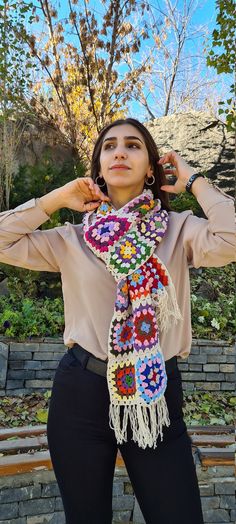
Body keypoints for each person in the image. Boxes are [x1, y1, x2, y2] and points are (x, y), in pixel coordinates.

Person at [0, 118, 234, 524]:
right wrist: (56, 198)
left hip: (155, 393)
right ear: (99, 167)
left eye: (133, 145)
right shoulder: (70, 238)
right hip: (81, 396)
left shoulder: (180, 230)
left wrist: (194, 180)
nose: (120, 152)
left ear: (150, 168)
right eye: (109, 146)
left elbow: (231, 238)